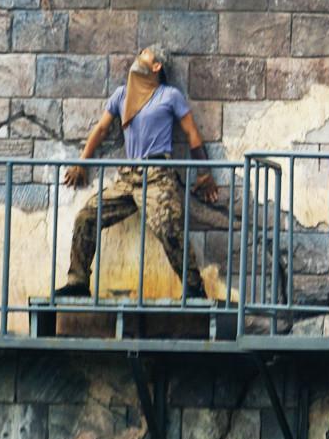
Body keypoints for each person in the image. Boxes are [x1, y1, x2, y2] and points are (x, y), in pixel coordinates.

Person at [56, 46, 220, 300]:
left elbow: (191, 134)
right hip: (128, 177)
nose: (138, 56)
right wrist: (81, 164)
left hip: (158, 175)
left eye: (145, 54)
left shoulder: (169, 95)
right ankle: (77, 281)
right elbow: (101, 130)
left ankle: (194, 287)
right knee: (87, 216)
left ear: (157, 67)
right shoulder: (122, 95)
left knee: (168, 227)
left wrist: (204, 174)